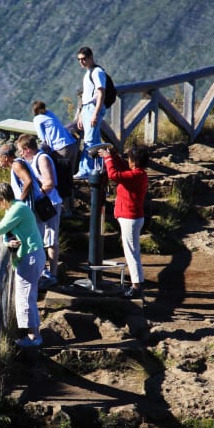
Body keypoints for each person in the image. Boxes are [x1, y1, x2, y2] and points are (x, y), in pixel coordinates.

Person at [0, 182, 46, 348]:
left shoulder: (16, 210)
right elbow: (10, 231)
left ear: (1, 200)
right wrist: (8, 242)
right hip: (32, 255)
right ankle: (34, 333)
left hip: (30, 258)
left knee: (25, 297)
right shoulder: (16, 208)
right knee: (27, 296)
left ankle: (33, 337)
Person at [98, 144, 150, 299]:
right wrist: (113, 156)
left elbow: (114, 174)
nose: (127, 161)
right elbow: (121, 167)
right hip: (131, 217)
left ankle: (136, 287)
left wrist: (107, 158)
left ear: (133, 162)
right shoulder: (138, 173)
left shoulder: (135, 176)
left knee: (131, 253)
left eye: (129, 159)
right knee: (132, 251)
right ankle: (137, 284)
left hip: (130, 218)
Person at [16, 133, 62, 288]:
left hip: (49, 203)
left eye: (21, 151)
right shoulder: (35, 159)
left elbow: (49, 183)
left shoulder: (42, 159)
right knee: (43, 238)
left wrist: (37, 194)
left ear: (27, 149)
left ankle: (52, 274)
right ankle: (45, 272)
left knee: (50, 239)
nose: (21, 154)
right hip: (44, 203)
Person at [75, 46, 107, 178]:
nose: (81, 62)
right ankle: (99, 167)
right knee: (95, 141)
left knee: (88, 141)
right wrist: (81, 114)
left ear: (90, 57)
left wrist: (95, 113)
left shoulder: (97, 72)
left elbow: (101, 93)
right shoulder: (88, 73)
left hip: (93, 108)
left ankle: (86, 170)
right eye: (79, 60)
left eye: (84, 59)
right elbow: (85, 96)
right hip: (87, 109)